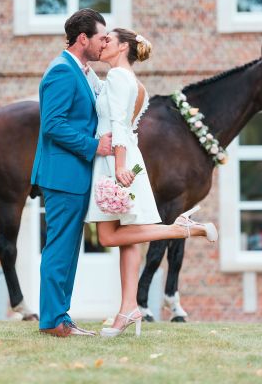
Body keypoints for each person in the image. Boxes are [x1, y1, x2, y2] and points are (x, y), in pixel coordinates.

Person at [83, 28, 218, 338]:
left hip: (115, 160)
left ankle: (183, 229)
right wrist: (88, 71)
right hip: (128, 155)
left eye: (108, 41)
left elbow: (117, 121)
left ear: (122, 48)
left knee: (107, 236)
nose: (103, 44)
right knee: (127, 236)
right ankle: (129, 308)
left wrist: (117, 166)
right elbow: (114, 110)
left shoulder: (118, 78)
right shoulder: (133, 82)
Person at [31, 9, 113, 337]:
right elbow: (53, 125)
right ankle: (52, 321)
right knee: (59, 249)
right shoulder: (61, 72)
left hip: (74, 176)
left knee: (68, 250)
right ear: (83, 39)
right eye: (101, 37)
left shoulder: (81, 70)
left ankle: (61, 316)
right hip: (63, 176)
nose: (105, 42)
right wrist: (95, 147)